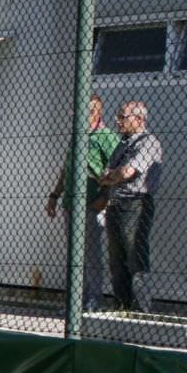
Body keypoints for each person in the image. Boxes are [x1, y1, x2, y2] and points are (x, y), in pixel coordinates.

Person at [43, 94, 117, 311]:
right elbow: (66, 168)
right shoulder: (77, 136)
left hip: (91, 203)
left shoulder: (106, 137)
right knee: (75, 255)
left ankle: (94, 300)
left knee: (91, 253)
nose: (76, 115)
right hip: (70, 204)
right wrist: (55, 195)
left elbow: (115, 170)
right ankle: (76, 301)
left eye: (83, 111)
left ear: (95, 113)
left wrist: (104, 197)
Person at [98, 100, 163, 313]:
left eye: (122, 117)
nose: (117, 121)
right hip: (116, 203)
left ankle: (140, 309)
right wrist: (111, 177)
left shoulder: (148, 142)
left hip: (135, 203)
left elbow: (127, 172)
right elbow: (108, 173)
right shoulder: (123, 143)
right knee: (117, 258)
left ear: (139, 119)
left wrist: (111, 177)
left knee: (135, 254)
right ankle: (121, 305)